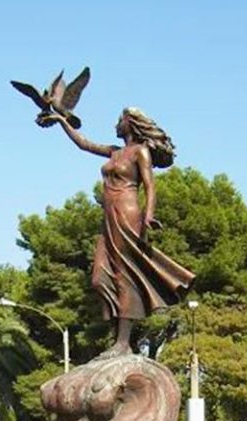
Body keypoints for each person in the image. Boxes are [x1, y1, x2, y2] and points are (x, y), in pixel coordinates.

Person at [42, 106, 194, 356]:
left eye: (120, 120)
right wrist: (61, 121)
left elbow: (150, 186)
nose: (116, 124)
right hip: (108, 216)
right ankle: (121, 339)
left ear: (131, 124)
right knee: (99, 277)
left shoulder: (140, 152)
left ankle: (123, 342)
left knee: (124, 275)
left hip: (128, 212)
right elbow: (83, 144)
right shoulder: (114, 152)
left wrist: (148, 215)